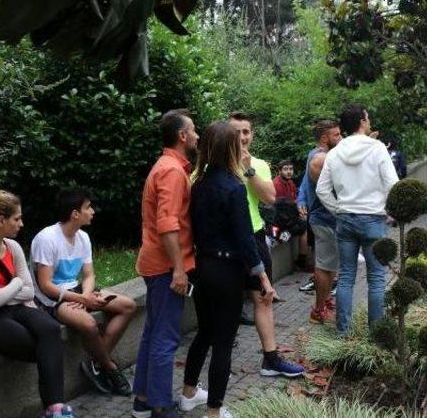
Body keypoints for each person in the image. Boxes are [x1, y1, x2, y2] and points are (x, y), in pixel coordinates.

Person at [181, 121, 275, 418]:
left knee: (204, 333)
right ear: (232, 148)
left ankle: (187, 393)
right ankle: (214, 411)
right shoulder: (234, 187)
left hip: (202, 266)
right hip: (227, 271)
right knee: (223, 342)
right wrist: (261, 275)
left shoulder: (197, 184)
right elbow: (245, 239)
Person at [0, 186, 73, 418]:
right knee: (37, 346)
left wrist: (4, 290)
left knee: (50, 330)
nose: (21, 224)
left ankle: (55, 409)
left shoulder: (13, 247)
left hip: (14, 308)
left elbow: (30, 292)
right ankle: (53, 408)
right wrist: (16, 284)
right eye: (17, 219)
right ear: (1, 220)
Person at [30, 188, 136, 396]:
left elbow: (88, 275)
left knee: (128, 306)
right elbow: (45, 286)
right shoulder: (47, 238)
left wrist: (86, 297)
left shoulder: (83, 237)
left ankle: (96, 362)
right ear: (75, 214)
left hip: (77, 290)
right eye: (88, 207)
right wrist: (79, 298)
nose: (93, 211)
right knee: (89, 324)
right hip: (53, 298)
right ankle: (109, 367)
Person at [132, 109, 200, 418]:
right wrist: (179, 268)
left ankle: (143, 399)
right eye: (194, 131)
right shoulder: (173, 171)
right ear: (182, 136)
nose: (198, 136)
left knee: (153, 332)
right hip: (165, 267)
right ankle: (160, 405)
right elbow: (168, 224)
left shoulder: (166, 166)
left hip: (155, 263)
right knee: (165, 336)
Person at [228, 111, 304, 378]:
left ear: (252, 134)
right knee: (226, 303)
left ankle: (270, 359)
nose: (241, 137)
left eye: (246, 132)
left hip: (254, 236)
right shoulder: (213, 163)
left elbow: (271, 198)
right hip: (224, 243)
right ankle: (220, 360)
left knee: (263, 298)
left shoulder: (258, 164)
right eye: (235, 132)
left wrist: (248, 170)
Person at [316, 104, 398, 335]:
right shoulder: (377, 148)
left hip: (345, 220)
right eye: (368, 117)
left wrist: (338, 209)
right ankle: (376, 333)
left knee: (346, 277)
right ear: (362, 121)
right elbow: (392, 184)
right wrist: (388, 209)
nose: (369, 120)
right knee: (376, 278)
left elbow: (322, 190)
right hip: (373, 219)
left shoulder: (334, 153)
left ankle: (343, 333)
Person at [299, 120, 343, 324]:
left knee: (330, 264)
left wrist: (300, 197)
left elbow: (304, 183)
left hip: (328, 219)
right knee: (324, 265)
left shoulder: (319, 154)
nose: (341, 139)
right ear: (324, 138)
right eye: (336, 135)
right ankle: (317, 310)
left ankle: (325, 301)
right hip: (323, 219)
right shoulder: (320, 158)